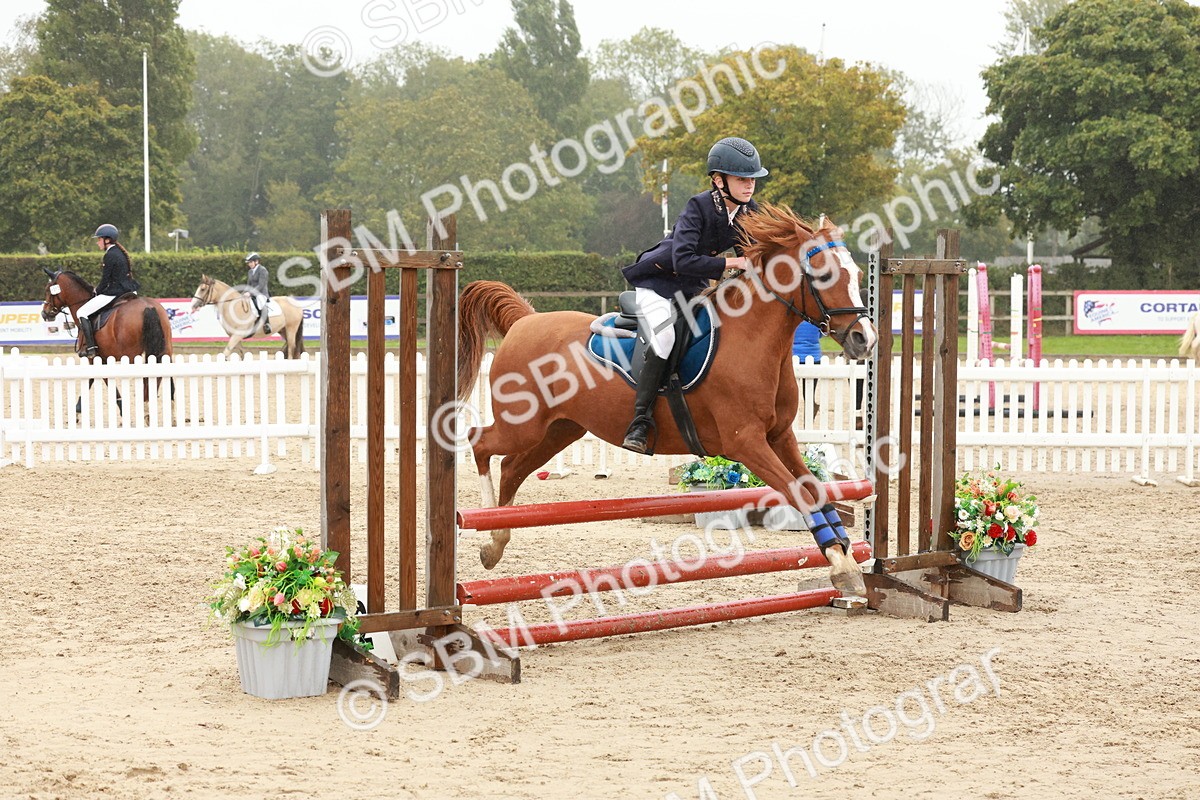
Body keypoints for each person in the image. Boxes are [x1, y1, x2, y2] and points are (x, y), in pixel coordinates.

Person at [618, 136, 766, 453]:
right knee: (666, 339)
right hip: (659, 282)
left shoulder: (746, 210)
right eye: (742, 179)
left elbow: (749, 254)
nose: (749, 185)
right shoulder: (698, 207)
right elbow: (683, 259)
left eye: (752, 179)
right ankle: (640, 423)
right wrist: (730, 263)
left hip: (693, 287)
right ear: (718, 180)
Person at [77, 224, 139, 358]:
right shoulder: (120, 252)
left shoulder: (110, 255)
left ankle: (91, 347)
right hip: (130, 291)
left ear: (107, 240)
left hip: (115, 292)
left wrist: (97, 291)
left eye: (99, 239)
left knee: (81, 312)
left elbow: (106, 280)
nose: (97, 242)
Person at [793, 320, 822, 415]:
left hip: (794, 356)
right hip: (814, 356)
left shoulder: (794, 320)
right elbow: (821, 335)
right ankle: (810, 414)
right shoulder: (815, 320)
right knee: (809, 393)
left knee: (791, 391)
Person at [243, 252, 270, 335]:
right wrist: (243, 293)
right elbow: (248, 285)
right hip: (252, 293)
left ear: (256, 261)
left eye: (251, 262)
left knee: (260, 303)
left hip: (261, 293)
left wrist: (250, 293)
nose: (249, 264)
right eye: (248, 263)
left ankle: (266, 324)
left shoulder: (263, 270)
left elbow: (261, 285)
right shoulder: (250, 272)